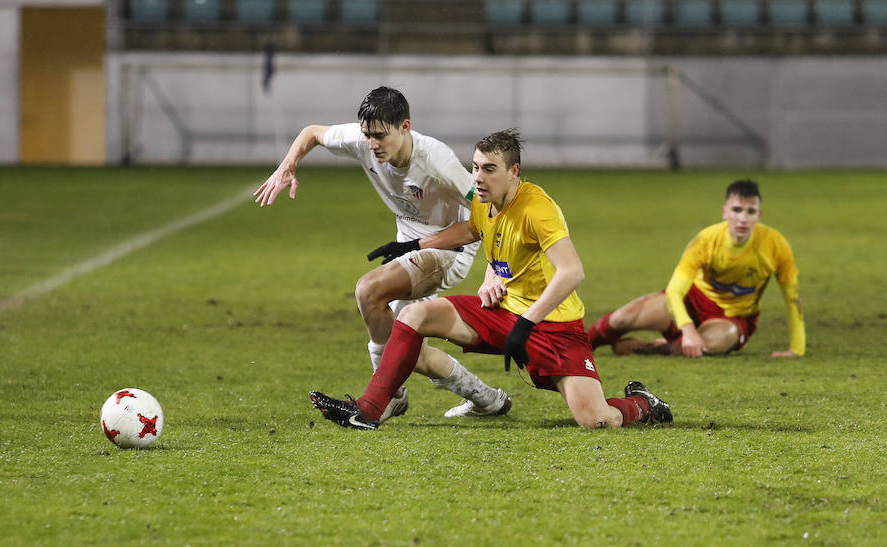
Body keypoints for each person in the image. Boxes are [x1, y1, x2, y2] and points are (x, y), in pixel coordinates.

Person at [309, 129, 672, 430]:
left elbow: (573, 271)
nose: (478, 178)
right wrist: (415, 243)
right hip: (503, 314)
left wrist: (526, 324)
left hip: (555, 329)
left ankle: (642, 404)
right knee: (414, 316)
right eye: (476, 167)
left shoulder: (537, 209)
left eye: (490, 169)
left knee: (595, 419)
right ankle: (369, 410)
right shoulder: (484, 198)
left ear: (514, 171)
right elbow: (471, 229)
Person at [253, 86, 511, 422]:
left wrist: (496, 268)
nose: (372, 144)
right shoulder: (363, 139)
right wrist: (288, 164)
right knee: (409, 351)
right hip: (404, 245)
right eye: (367, 135)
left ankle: (390, 395)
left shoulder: (436, 162)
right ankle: (489, 400)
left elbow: (490, 209)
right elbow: (312, 133)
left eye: (380, 136)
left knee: (368, 290)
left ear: (404, 127)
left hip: (450, 248)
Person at [587, 180, 805, 358]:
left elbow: (792, 298)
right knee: (621, 319)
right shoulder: (705, 240)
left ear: (759, 215)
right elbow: (674, 292)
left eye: (750, 211)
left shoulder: (776, 245)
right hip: (693, 301)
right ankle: (582, 346)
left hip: (732, 318)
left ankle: (650, 348)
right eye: (737, 210)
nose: (743, 218)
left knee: (713, 341)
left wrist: (797, 348)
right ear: (724, 212)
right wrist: (688, 329)